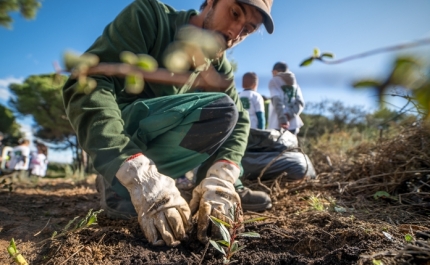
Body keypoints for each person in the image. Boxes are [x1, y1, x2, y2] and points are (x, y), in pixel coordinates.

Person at [63, 0, 274, 247]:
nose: (234, 34)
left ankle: (210, 185)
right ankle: (117, 180)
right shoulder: (149, 17)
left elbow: (239, 121)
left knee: (224, 113)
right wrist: (130, 168)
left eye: (247, 30)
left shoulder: (217, 67)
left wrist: (221, 177)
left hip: (161, 153)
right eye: (234, 13)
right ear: (210, 2)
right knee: (223, 108)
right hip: (125, 138)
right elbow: (89, 80)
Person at [267, 62, 305, 135]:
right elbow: (300, 103)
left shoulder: (274, 81)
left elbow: (276, 100)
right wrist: (289, 114)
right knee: (292, 146)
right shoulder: (295, 84)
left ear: (275, 71)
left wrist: (283, 119)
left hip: (277, 123)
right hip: (293, 124)